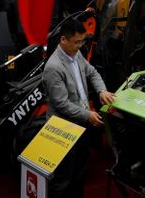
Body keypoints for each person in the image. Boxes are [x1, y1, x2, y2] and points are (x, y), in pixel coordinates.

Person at [43, 18, 115, 198]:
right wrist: (87, 114)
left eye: (82, 41)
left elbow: (92, 72)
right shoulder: (53, 67)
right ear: (63, 40)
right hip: (63, 129)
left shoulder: (76, 54)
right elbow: (61, 104)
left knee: (79, 173)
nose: (80, 46)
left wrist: (102, 90)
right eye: (77, 42)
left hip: (81, 125)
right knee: (63, 178)